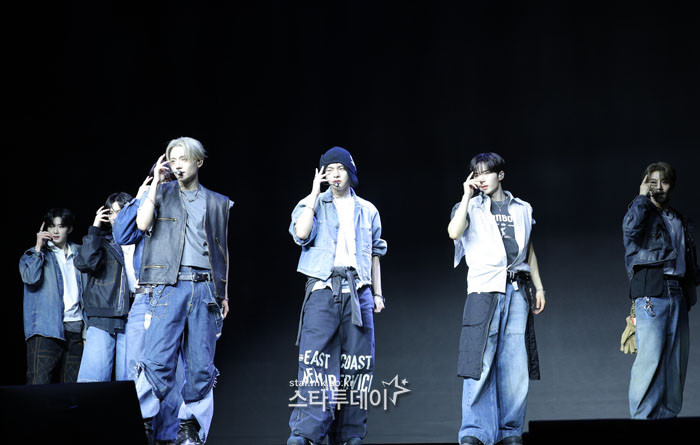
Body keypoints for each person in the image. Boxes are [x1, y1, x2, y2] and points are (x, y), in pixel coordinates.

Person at [135, 137, 232, 445]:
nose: (177, 165)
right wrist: (154, 184)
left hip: (205, 288)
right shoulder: (161, 193)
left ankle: (190, 430)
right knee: (157, 359)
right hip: (169, 285)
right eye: (172, 159)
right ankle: (142, 422)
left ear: (198, 162)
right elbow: (141, 225)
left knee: (201, 365)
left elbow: (222, 249)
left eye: (183, 159)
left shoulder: (217, 202)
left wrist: (223, 292)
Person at [287, 146, 387, 445]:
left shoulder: (367, 210)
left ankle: (350, 434)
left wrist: (378, 294)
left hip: (359, 292)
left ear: (349, 172)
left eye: (339, 169)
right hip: (323, 289)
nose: (334, 175)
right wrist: (313, 195)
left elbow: (375, 254)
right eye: (328, 170)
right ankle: (306, 433)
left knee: (358, 365)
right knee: (315, 362)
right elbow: (301, 234)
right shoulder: (311, 203)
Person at [447, 152, 545, 445]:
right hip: (484, 289)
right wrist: (466, 197)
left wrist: (539, 287)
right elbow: (454, 232)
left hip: (517, 290)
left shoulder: (522, 208)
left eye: (486, 172)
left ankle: (509, 431)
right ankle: (474, 431)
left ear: (500, 175)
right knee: (480, 360)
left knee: (515, 365)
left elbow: (528, 250)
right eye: (476, 174)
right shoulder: (469, 207)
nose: (481, 179)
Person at [622, 162, 699, 419]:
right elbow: (630, 230)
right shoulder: (642, 213)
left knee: (676, 362)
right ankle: (642, 419)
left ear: (671, 185)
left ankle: (668, 420)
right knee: (650, 360)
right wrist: (641, 198)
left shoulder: (678, 219)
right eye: (652, 182)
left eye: (663, 182)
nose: (658, 187)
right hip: (652, 292)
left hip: (677, 293)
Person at [113, 166, 182, 444]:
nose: (163, 180)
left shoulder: (184, 205)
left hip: (174, 293)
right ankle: (138, 431)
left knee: (173, 370)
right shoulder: (144, 205)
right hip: (144, 295)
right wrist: (140, 196)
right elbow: (122, 234)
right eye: (159, 176)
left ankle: (167, 436)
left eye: (168, 176)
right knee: (134, 367)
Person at [20, 208, 86, 384]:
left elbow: (88, 292)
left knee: (72, 390)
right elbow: (30, 278)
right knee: (38, 386)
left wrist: (86, 331)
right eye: (51, 226)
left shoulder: (80, 253)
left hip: (75, 329)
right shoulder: (33, 254)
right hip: (46, 330)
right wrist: (38, 248)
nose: (55, 231)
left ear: (70, 229)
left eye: (61, 226)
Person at [74, 192, 133, 383]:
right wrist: (95, 229)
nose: (116, 216)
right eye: (112, 212)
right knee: (93, 381)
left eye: (121, 211)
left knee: (130, 381)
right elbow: (84, 263)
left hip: (131, 317)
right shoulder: (101, 241)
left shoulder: (140, 239)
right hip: (102, 315)